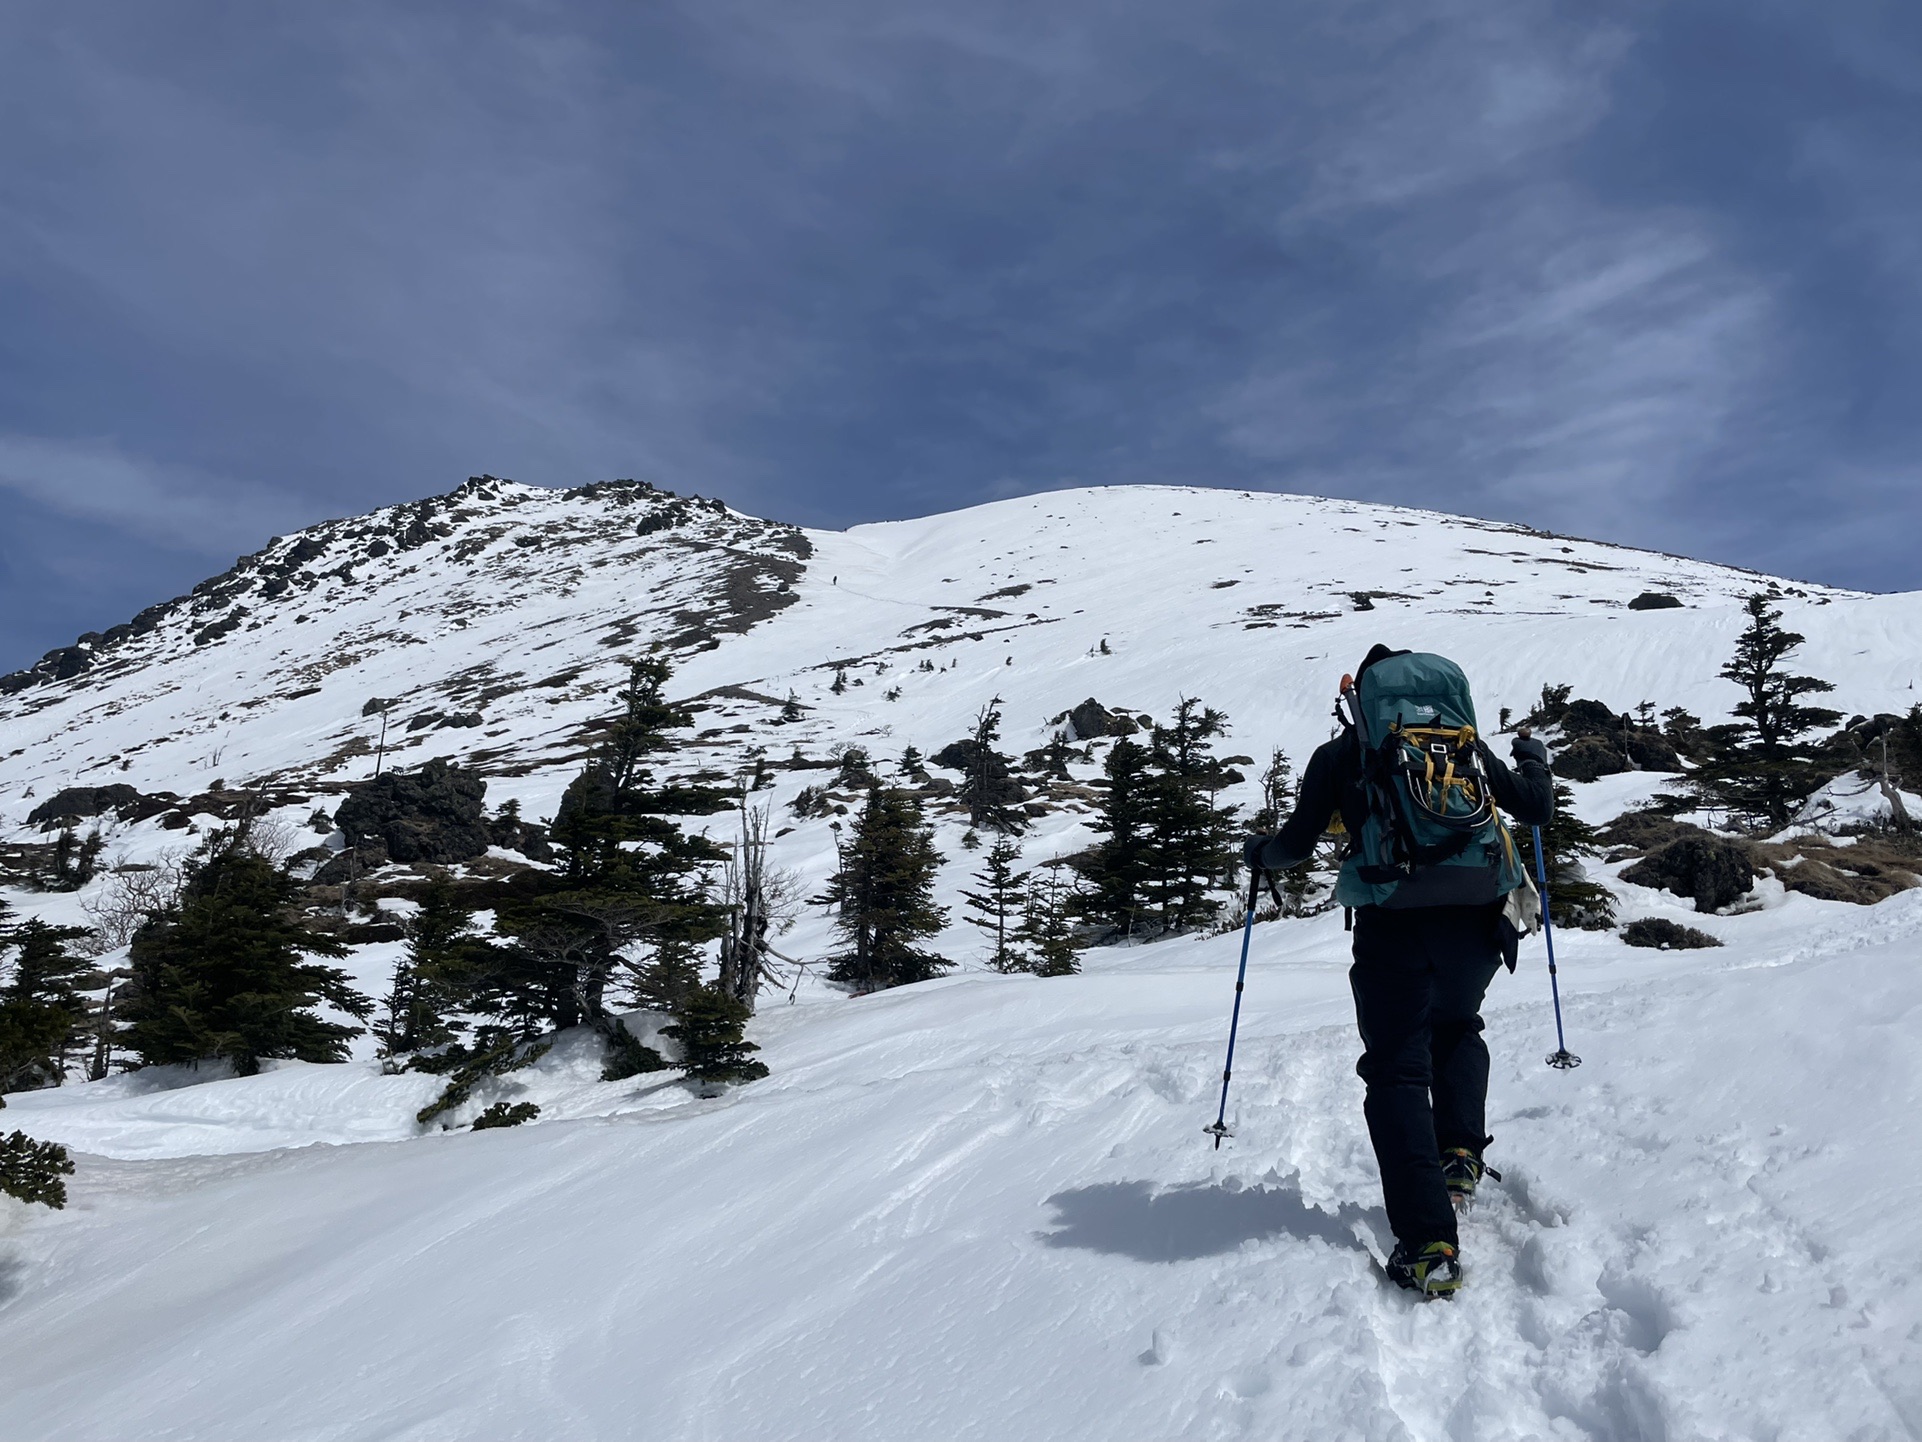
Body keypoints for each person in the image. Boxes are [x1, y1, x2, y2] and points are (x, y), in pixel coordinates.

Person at [1241, 645, 1553, 1297]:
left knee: (1397, 1069)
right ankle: (1460, 1153)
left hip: (1394, 920)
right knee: (1458, 1026)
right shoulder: (1462, 747)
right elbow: (1535, 807)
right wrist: (1534, 760)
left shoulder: (1344, 754)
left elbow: (1294, 846)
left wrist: (1257, 853)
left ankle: (1428, 1243)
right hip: (1478, 916)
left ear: (1364, 700)